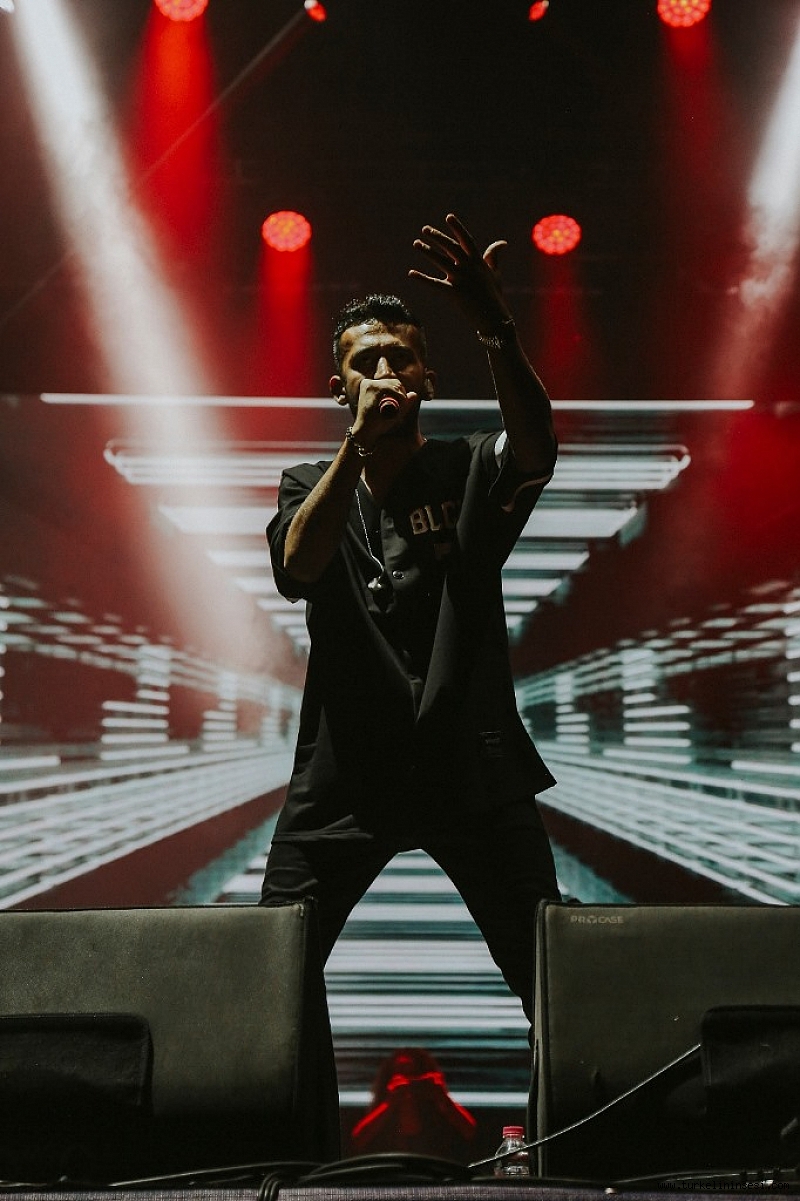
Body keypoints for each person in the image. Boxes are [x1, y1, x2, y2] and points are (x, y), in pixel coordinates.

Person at [260, 213, 560, 1020]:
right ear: (340, 389)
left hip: (471, 770)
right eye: (366, 361)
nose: (386, 370)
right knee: (267, 978)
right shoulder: (308, 484)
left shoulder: (467, 468)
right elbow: (299, 565)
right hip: (346, 779)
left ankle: (582, 1105)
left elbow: (536, 449)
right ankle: (288, 1109)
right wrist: (356, 449)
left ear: (428, 375)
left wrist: (496, 330)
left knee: (557, 975)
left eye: (401, 356)